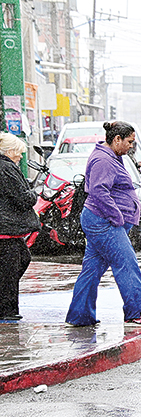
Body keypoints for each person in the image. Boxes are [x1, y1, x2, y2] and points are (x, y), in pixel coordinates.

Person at [65, 121, 141, 327]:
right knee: (126, 264)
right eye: (129, 142)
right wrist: (117, 217)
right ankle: (137, 311)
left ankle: (80, 315)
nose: (131, 146)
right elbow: (99, 191)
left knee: (92, 269)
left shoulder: (110, 156)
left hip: (100, 220)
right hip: (104, 222)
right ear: (117, 139)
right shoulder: (103, 160)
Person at [0, 133, 40, 321]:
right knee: (10, 270)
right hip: (7, 230)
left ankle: (7, 309)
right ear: (10, 151)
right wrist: (34, 194)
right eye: (19, 152)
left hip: (7, 229)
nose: (21, 156)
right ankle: (7, 312)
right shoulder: (7, 168)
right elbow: (23, 198)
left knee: (21, 260)